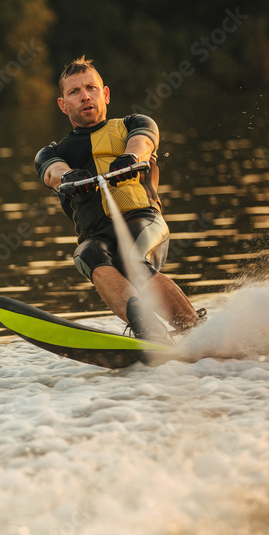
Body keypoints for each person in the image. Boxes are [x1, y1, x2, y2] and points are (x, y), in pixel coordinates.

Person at [34, 56, 201, 340]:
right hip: (96, 234)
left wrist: (130, 157)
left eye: (91, 88)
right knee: (87, 255)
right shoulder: (52, 153)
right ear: (63, 105)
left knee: (132, 259)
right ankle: (148, 330)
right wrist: (69, 177)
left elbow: (144, 141)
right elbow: (51, 172)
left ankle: (195, 331)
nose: (85, 96)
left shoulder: (133, 124)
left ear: (105, 94)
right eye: (74, 92)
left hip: (144, 221)